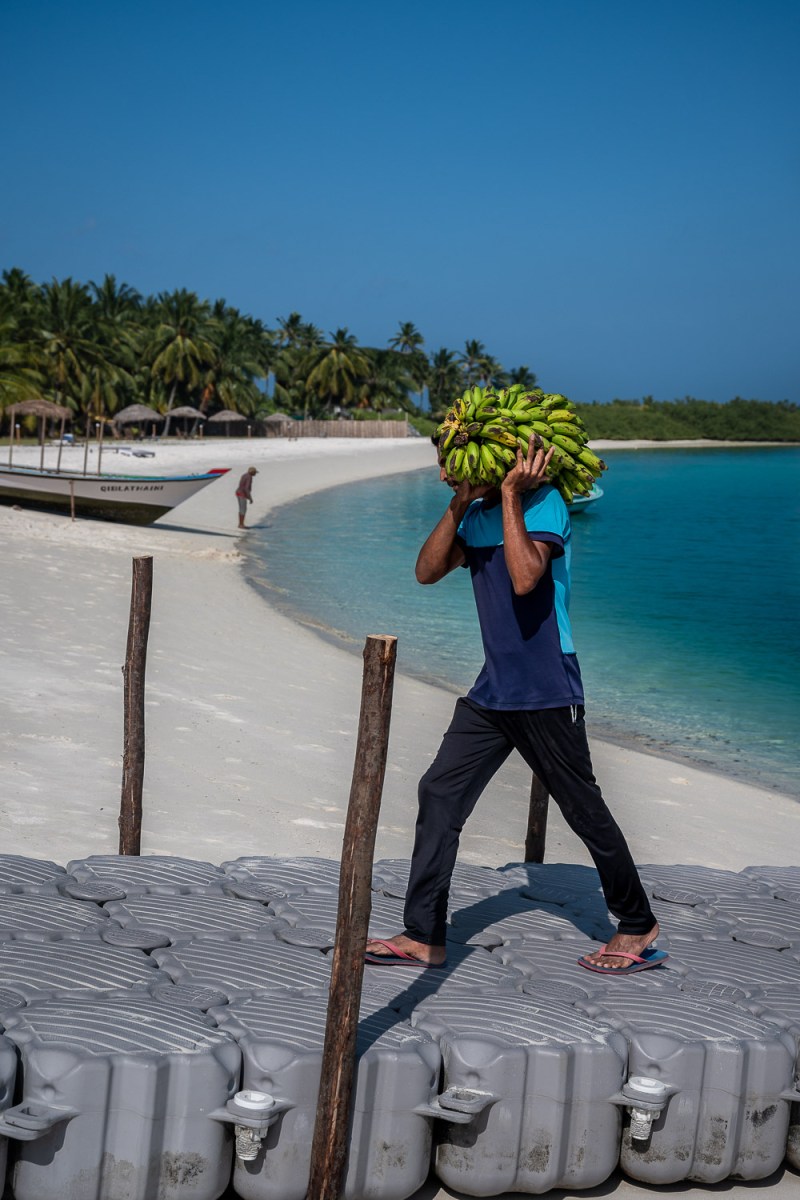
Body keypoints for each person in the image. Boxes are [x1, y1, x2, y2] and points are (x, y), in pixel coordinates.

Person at [365, 436, 665, 975]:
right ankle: (423, 934)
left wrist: (509, 494)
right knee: (439, 792)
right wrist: (459, 503)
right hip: (493, 692)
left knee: (583, 810)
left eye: (448, 468)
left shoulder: (546, 502)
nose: (440, 475)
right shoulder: (475, 515)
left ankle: (637, 921)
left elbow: (527, 578)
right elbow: (426, 570)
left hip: (547, 686)